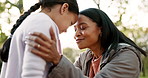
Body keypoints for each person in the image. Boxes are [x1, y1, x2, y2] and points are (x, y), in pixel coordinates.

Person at [26, 8, 147, 78]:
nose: (77, 34)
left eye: (83, 28)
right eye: (75, 30)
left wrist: (58, 59)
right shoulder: (85, 57)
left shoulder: (127, 55)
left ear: (101, 29)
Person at [0, 0, 79, 78]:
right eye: (70, 23)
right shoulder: (43, 23)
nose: (66, 30)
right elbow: (32, 74)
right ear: (64, 8)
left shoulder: (33, 21)